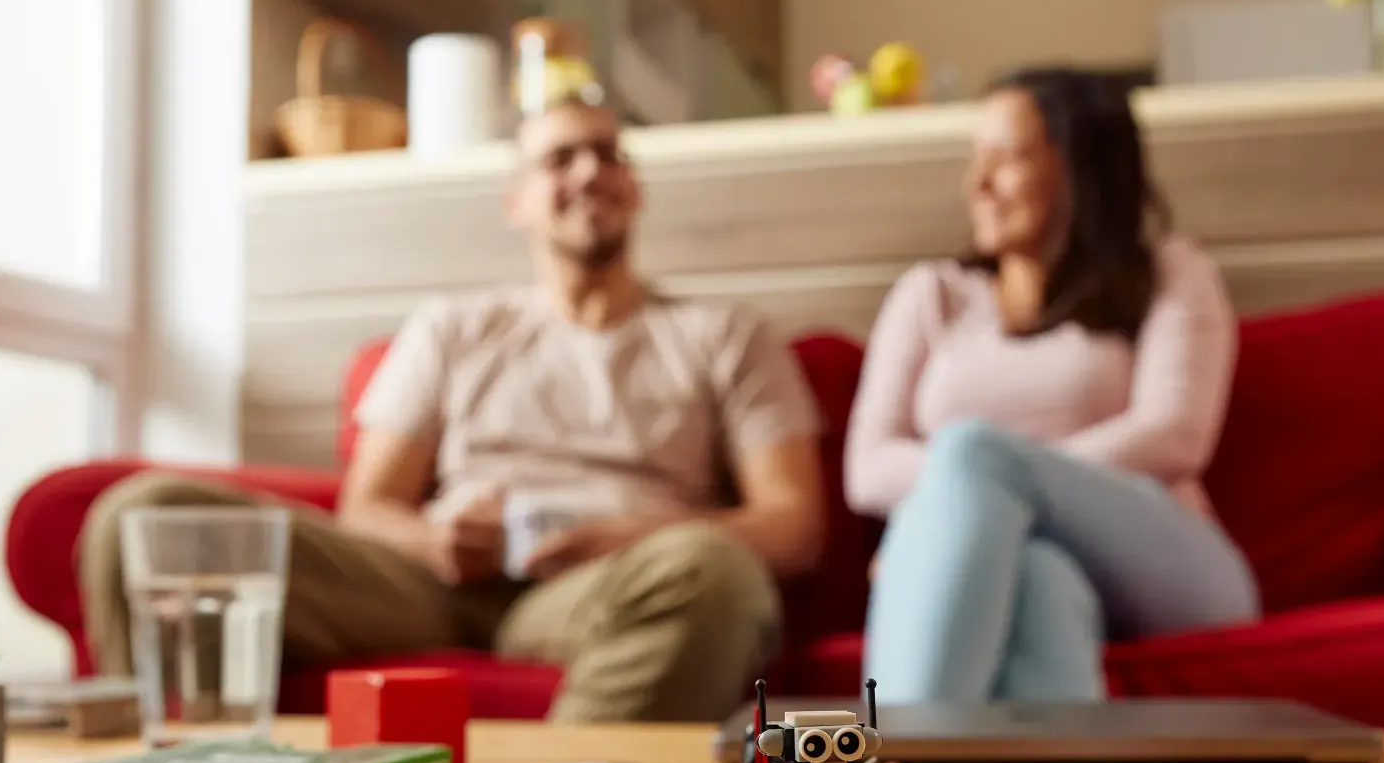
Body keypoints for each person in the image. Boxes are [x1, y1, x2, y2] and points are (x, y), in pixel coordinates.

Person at [79, 98, 826, 723]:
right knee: (143, 517)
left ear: (635, 188)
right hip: (434, 587)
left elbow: (792, 524)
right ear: (517, 201)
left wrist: (619, 539)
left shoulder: (727, 335)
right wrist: (436, 539)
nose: (589, 171)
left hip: (611, 586)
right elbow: (367, 507)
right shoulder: (452, 327)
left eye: (608, 154)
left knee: (715, 572)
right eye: (559, 159)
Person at [845, 67, 1260, 704]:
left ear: (1082, 169)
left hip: (1174, 565)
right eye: (974, 159)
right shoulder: (932, 293)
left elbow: (1174, 435)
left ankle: (893, 759)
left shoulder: (1172, 273)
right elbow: (868, 469)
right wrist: (981, 515)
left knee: (971, 450)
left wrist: (983, 493)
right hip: (1026, 564)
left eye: (1007, 159)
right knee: (1041, 574)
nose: (977, 184)